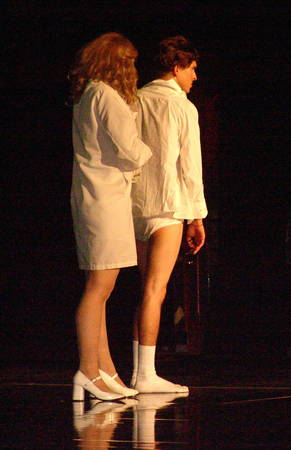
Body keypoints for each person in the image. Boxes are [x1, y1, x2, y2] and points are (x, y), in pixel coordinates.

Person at [70, 32, 152, 401]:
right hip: (104, 200)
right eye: (130, 62)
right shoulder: (105, 95)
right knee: (98, 289)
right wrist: (150, 151)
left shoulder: (89, 93)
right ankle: (88, 370)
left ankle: (105, 370)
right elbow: (131, 150)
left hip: (96, 197)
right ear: (118, 62)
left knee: (100, 289)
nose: (133, 69)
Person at [130, 36, 208, 393]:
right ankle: (144, 374)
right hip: (167, 204)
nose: (195, 77)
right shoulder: (181, 106)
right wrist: (196, 218)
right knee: (155, 289)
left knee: (146, 289)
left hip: (134, 205)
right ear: (177, 68)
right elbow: (190, 166)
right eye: (192, 69)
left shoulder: (135, 99)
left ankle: (140, 370)